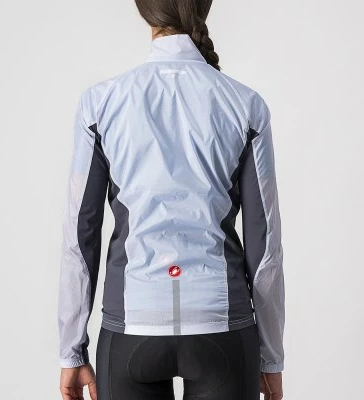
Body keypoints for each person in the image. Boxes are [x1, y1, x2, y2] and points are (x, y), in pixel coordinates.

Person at [58, 1, 285, 399]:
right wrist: (270, 358)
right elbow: (264, 244)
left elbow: (81, 235)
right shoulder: (246, 105)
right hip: (223, 326)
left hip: (131, 325)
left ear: (143, 9)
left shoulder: (100, 104)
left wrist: (71, 349)